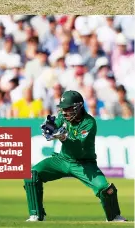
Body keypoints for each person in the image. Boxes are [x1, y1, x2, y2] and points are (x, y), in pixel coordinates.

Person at [24, 90, 127, 222]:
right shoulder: (63, 116)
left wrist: (63, 137)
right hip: (62, 159)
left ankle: (114, 216)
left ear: (79, 107)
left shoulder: (89, 122)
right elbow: (55, 124)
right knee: (32, 174)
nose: (65, 112)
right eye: (63, 109)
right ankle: (36, 215)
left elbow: (79, 147)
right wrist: (50, 127)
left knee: (105, 189)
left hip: (83, 164)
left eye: (68, 109)